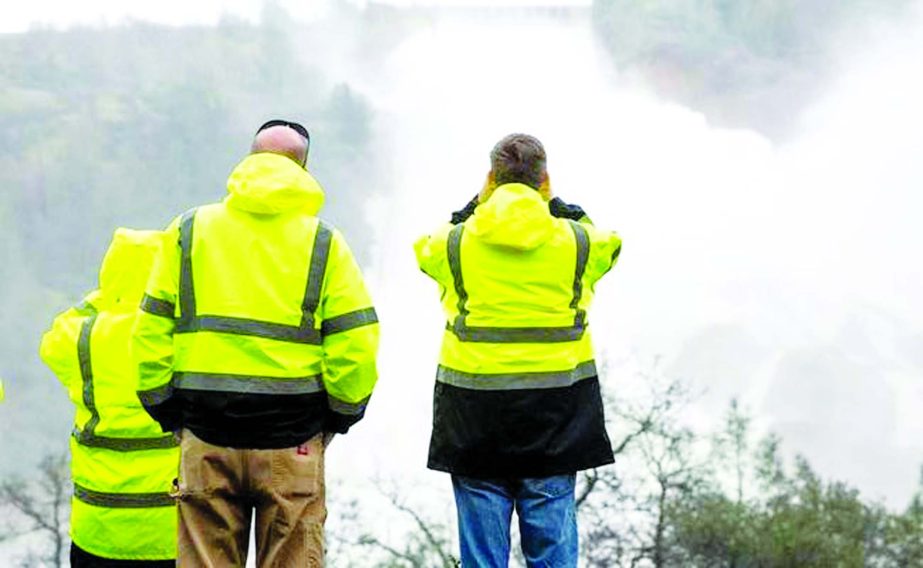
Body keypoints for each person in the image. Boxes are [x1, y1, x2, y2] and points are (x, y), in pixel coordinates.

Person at [132, 119, 379, 566]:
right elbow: (355, 344)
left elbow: (150, 330)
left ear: (249, 160)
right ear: (304, 170)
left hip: (205, 437)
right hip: (293, 440)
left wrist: (167, 411)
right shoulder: (324, 243)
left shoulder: (188, 231)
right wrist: (339, 417)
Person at [414, 133, 622, 567]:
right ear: (544, 180)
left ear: (490, 179)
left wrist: (476, 206)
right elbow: (607, 242)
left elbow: (427, 247)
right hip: (555, 420)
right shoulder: (579, 244)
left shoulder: (454, 245)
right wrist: (558, 204)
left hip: (474, 419)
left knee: (483, 557)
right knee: (552, 554)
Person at [40, 228, 179, 567]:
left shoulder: (80, 336)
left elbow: (53, 337)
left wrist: (107, 294)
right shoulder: (177, 335)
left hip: (97, 530)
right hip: (170, 531)